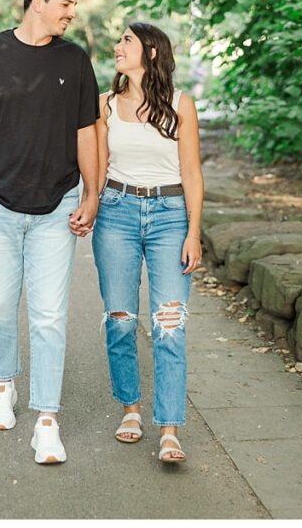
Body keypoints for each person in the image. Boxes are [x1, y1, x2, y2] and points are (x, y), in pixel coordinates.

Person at [0, 0, 99, 465]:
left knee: (50, 315)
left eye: (73, 4)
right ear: (38, 1)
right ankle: (3, 385)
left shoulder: (75, 61)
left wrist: (92, 194)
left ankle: (47, 421)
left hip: (57, 207)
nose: (71, 12)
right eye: (66, 3)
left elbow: (87, 131)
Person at [92, 23, 203, 464]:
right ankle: (131, 410)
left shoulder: (181, 105)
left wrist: (193, 232)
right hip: (116, 212)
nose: (117, 47)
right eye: (118, 40)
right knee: (120, 318)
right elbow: (98, 169)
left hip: (170, 216)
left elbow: (192, 173)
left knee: (169, 323)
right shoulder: (104, 105)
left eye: (126, 41)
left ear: (152, 53)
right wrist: (88, 206)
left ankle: (170, 428)